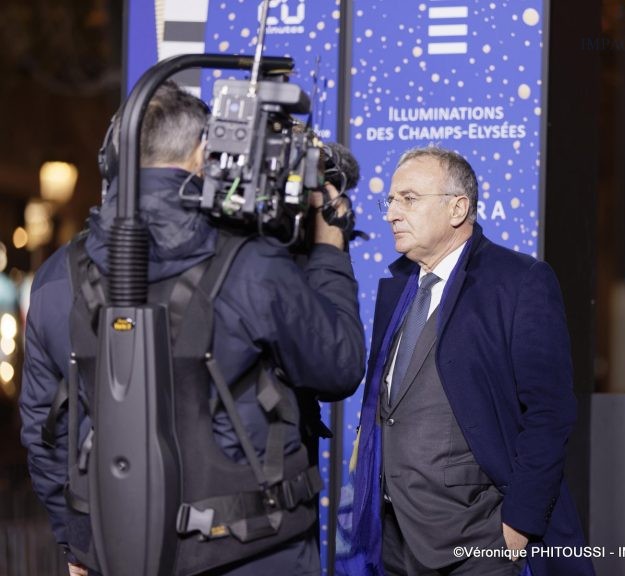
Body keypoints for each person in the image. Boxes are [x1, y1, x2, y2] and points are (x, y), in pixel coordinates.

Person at [20, 81, 366, 575]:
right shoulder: (254, 262)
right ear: (206, 152)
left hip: (118, 554)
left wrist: (79, 545)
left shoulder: (57, 276)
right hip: (256, 550)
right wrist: (328, 248)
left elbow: (44, 432)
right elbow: (338, 366)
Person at [336, 146, 594, 576]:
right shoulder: (397, 285)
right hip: (394, 538)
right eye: (391, 200)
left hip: (481, 541)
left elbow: (550, 414)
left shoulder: (520, 282)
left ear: (458, 208)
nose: (392, 213)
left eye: (409, 198)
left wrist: (517, 527)